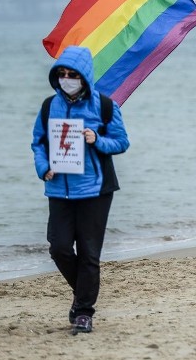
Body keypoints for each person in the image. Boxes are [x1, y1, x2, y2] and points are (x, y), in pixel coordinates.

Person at [31, 46, 130, 334]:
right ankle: (83, 293)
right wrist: (42, 167)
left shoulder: (106, 106)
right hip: (58, 188)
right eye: (61, 74)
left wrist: (96, 139)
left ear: (84, 76)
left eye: (71, 74)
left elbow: (121, 143)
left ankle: (84, 312)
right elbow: (38, 142)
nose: (66, 78)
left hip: (95, 190)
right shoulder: (50, 106)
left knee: (89, 254)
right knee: (59, 248)